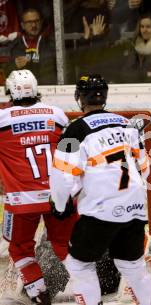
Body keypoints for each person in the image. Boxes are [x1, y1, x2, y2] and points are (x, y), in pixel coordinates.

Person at [49, 74, 151, 304]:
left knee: (79, 264)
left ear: (80, 99)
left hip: (100, 211)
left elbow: (62, 176)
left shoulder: (73, 131)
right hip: (135, 206)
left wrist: (60, 205)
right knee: (132, 266)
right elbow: (145, 168)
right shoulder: (127, 124)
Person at [0, 69, 77, 304]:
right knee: (66, 245)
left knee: (19, 249)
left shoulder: (1, 118)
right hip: (60, 195)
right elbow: (72, 149)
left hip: (21, 201)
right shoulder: (57, 114)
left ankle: (38, 293)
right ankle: (91, 286)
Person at [9, 8, 56, 84]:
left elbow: (46, 60)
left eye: (36, 21)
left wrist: (82, 39)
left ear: (41, 22)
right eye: (29, 22)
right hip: (24, 90)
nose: (34, 25)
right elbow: (8, 70)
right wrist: (14, 65)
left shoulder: (51, 43)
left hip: (48, 88)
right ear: (22, 25)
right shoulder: (15, 46)